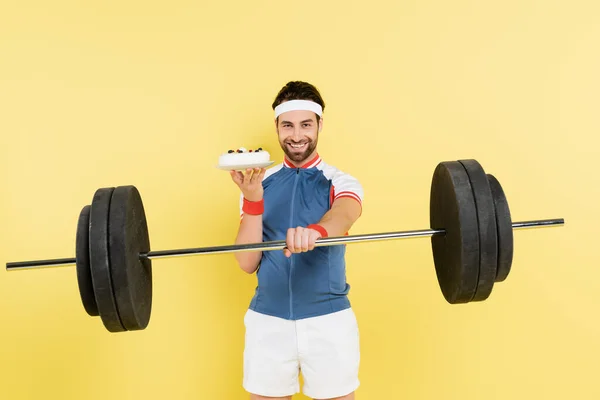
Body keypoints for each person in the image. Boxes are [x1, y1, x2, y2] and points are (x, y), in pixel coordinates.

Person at [229, 81, 364, 400]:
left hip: (328, 322)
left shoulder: (340, 181)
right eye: (288, 125)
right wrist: (252, 199)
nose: (297, 134)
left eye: (306, 124)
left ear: (319, 125)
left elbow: (344, 214)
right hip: (268, 322)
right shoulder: (261, 183)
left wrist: (316, 231)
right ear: (276, 127)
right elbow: (247, 263)